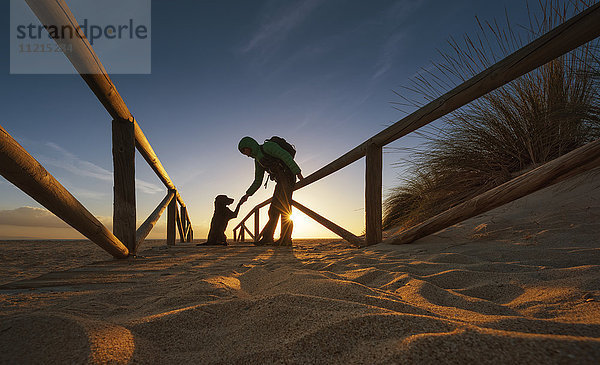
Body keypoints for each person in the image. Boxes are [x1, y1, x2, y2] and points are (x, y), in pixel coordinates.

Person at [238, 136, 303, 246]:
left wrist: (297, 172)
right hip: (280, 181)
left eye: (245, 151)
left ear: (249, 145)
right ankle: (268, 237)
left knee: (284, 208)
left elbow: (285, 156)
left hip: (288, 176)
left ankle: (286, 239)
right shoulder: (258, 160)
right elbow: (258, 180)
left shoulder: (268, 146)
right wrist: (247, 194)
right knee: (273, 210)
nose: (246, 155)